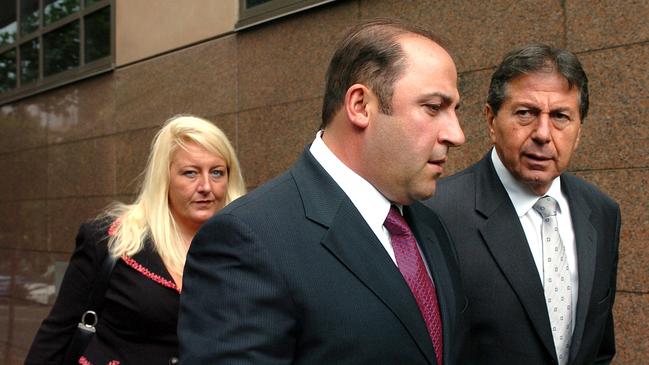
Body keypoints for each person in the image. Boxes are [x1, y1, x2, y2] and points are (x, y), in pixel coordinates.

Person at [179, 19, 466, 365]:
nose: (456, 133)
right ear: (360, 105)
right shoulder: (248, 239)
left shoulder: (431, 227)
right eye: (433, 108)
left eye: (454, 110)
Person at [425, 44, 620, 365]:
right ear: (491, 120)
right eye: (525, 113)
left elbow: (599, 347)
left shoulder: (601, 212)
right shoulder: (435, 214)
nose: (543, 134)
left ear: (579, 131)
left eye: (560, 116)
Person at [25, 115, 246, 365]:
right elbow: (57, 332)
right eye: (190, 173)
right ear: (165, 178)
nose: (206, 186)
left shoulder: (246, 249)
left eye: (217, 172)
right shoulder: (110, 240)